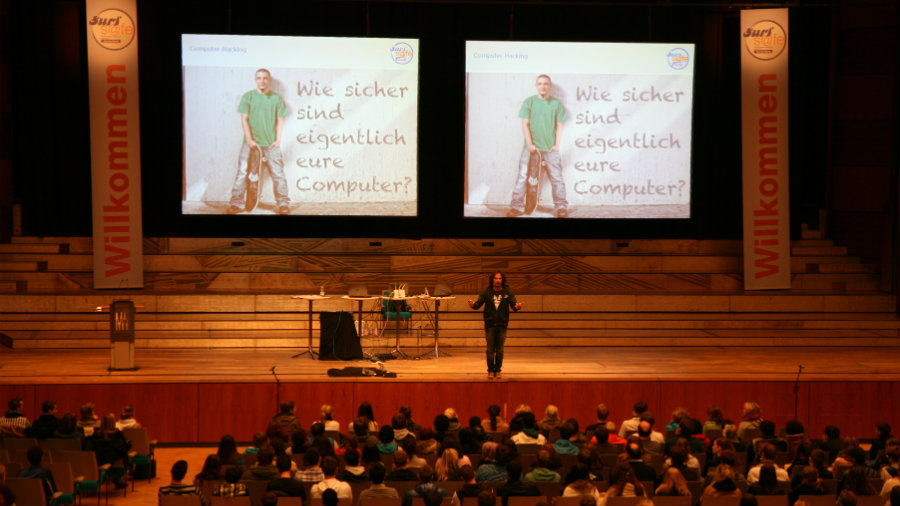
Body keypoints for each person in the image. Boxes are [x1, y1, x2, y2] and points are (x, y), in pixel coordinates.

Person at [226, 68, 290, 215]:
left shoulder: (276, 99)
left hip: (270, 144)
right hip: (250, 144)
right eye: (259, 78)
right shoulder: (248, 97)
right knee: (242, 173)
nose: (262, 81)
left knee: (278, 174)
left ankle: (283, 204)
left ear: (269, 80)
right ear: (255, 80)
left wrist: (278, 140)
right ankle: (236, 203)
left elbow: (280, 120)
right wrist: (249, 140)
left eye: (265, 78)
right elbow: (244, 119)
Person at [507, 74, 568, 218]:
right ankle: (516, 206)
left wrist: (557, 145)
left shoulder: (556, 104)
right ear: (536, 86)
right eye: (540, 83)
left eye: (546, 84)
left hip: (550, 149)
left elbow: (560, 126)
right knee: (523, 177)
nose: (543, 86)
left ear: (550, 86)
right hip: (530, 149)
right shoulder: (529, 102)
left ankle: (561, 207)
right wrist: (529, 144)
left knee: (557, 178)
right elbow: (525, 124)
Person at [468, 271, 522, 379]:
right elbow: (478, 305)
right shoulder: (487, 292)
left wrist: (517, 306)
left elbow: (514, 305)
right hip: (490, 325)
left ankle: (498, 370)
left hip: (502, 324)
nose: (498, 280)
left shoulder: (507, 291)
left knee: (500, 350)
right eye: (496, 278)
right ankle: (490, 370)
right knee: (490, 349)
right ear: (492, 280)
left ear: (502, 280)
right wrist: (473, 305)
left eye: (500, 278)